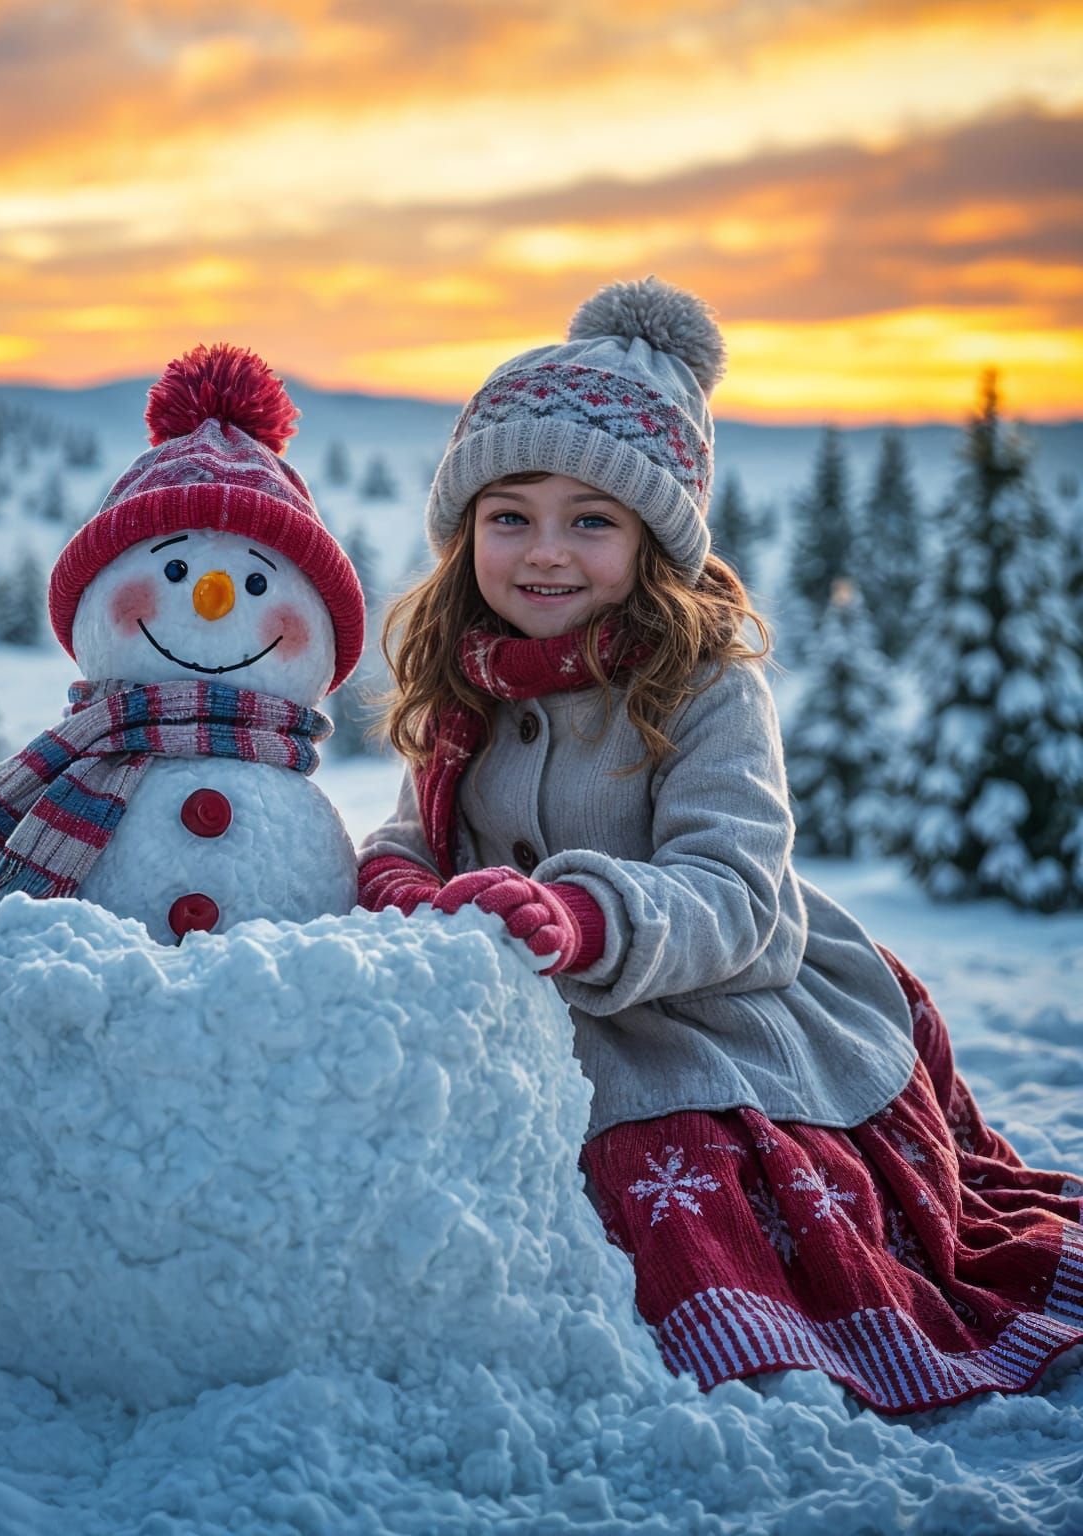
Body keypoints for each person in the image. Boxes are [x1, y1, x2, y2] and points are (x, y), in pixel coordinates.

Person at [356, 275, 1083, 1414]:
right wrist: (402, 875)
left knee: (669, 1170)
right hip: (545, 1006)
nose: (545, 552)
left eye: (591, 520)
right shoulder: (470, 679)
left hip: (715, 1004)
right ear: (466, 533)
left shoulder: (702, 685)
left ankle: (755, 1340)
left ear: (656, 543)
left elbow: (734, 889)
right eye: (512, 516)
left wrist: (588, 915)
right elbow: (420, 827)